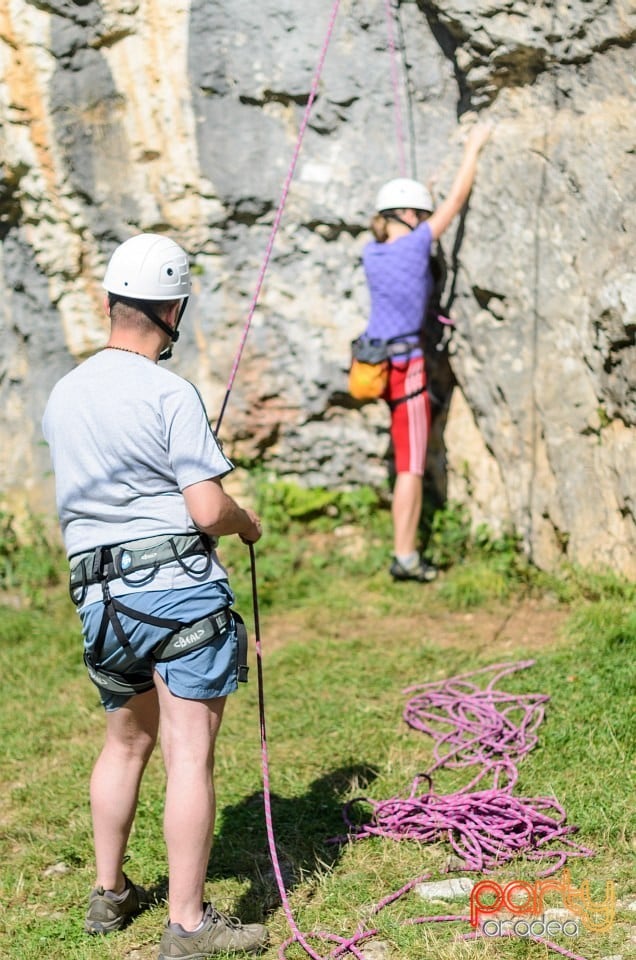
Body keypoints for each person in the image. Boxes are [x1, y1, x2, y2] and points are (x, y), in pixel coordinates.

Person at [42, 233, 269, 958]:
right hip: (176, 596)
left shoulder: (65, 393)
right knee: (188, 752)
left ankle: (109, 896)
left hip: (99, 602)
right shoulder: (169, 391)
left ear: (110, 301)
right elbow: (205, 510)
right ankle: (190, 924)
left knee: (124, 742)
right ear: (173, 309)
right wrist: (245, 522)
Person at [360, 122, 492, 583]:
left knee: (404, 456)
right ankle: (406, 556)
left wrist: (420, 195)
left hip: (375, 365)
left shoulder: (370, 254)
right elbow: (454, 203)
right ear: (411, 216)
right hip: (408, 368)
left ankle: (405, 549)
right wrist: (473, 147)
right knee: (411, 465)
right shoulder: (418, 245)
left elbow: (417, 215)